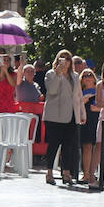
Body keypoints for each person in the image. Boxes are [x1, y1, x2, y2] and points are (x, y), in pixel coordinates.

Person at [42, 50, 83, 185]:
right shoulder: (51, 74)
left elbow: (78, 96)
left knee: (68, 145)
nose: (65, 61)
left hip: (71, 114)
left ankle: (66, 172)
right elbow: (52, 90)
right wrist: (58, 73)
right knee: (53, 144)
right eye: (62, 58)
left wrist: (82, 113)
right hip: (55, 115)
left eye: (67, 58)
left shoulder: (75, 76)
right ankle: (49, 172)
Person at [79, 69, 101, 186]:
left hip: (96, 120)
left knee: (97, 147)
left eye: (90, 75)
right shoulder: (79, 92)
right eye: (85, 76)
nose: (87, 77)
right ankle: (86, 173)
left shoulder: (99, 91)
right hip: (85, 120)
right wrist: (83, 101)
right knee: (86, 146)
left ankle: (93, 174)